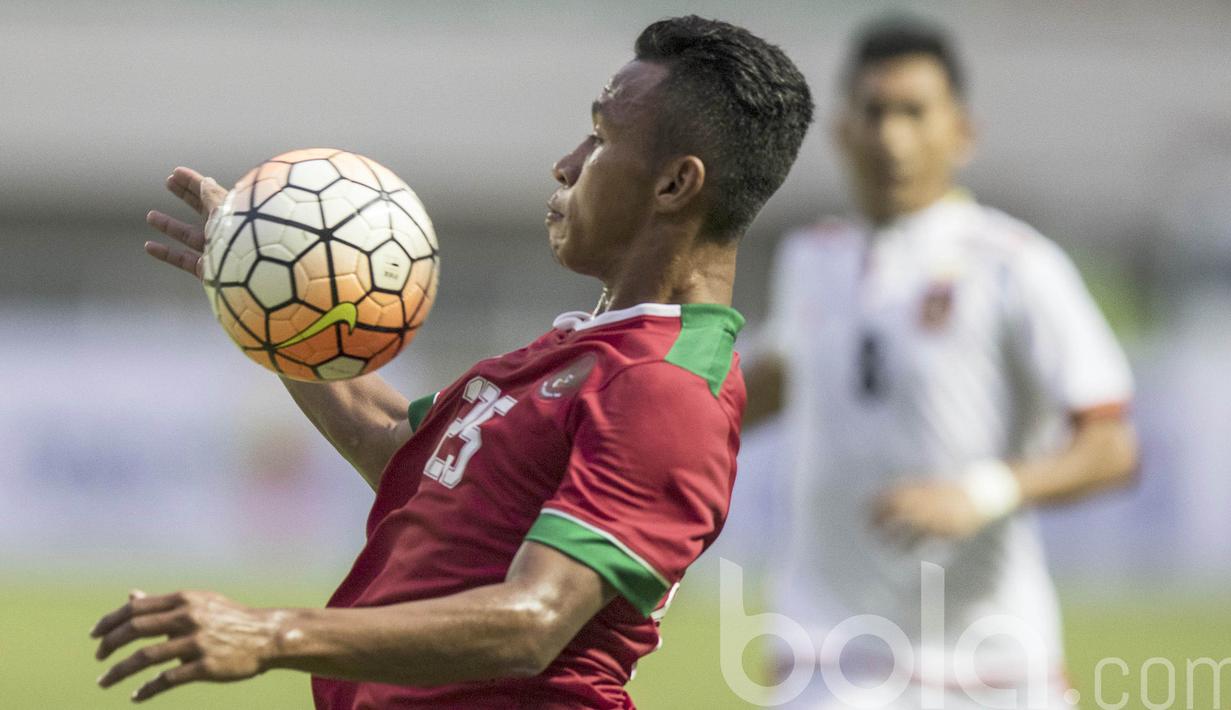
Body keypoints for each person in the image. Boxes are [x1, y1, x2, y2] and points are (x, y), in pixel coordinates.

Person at [90, 16, 814, 709]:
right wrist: (275, 296)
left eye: (599, 138)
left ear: (674, 185)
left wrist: (269, 634)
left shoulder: (664, 387)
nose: (566, 163)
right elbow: (400, 450)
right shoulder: (591, 352)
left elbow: (533, 620)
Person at [743, 16, 1139, 709]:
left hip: (986, 658)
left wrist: (981, 493)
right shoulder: (810, 258)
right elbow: (770, 384)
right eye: (874, 112)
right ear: (842, 130)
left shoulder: (1014, 264)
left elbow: (1111, 447)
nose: (892, 137)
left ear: (962, 131)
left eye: (914, 113)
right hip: (830, 651)